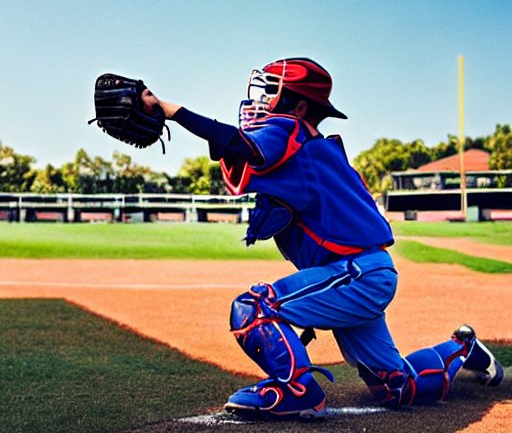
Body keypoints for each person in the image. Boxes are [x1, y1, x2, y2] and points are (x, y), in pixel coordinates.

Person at [141, 57, 503, 419]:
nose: (262, 102)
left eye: (272, 92)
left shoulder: (291, 131)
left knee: (254, 308)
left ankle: (297, 392)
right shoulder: (310, 149)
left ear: (299, 106)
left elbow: (242, 146)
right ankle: (462, 348)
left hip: (355, 273)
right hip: (361, 274)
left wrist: (172, 111)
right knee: (397, 385)